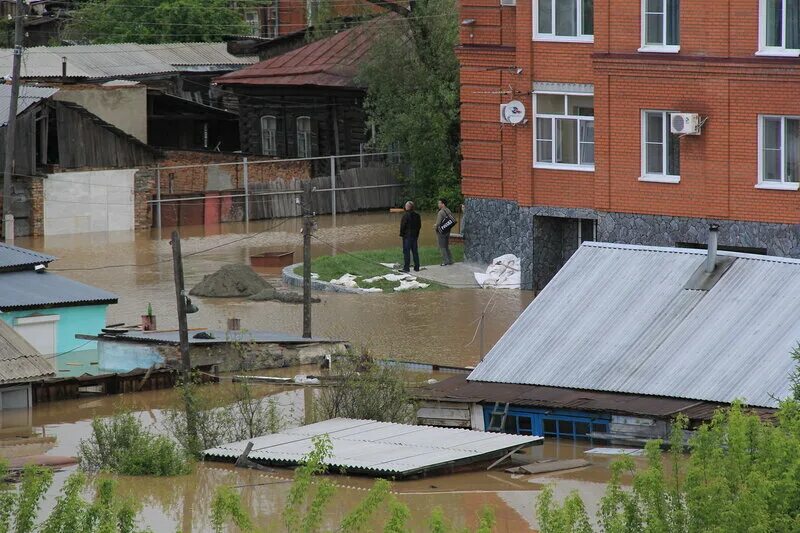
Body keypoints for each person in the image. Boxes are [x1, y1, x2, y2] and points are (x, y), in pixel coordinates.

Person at [399, 201, 421, 272]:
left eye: (406, 205)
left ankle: (406, 268)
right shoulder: (417, 215)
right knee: (415, 252)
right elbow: (419, 226)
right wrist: (417, 234)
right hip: (414, 236)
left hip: (407, 237)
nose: (405, 207)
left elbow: (403, 226)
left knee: (406, 252)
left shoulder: (405, 215)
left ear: (408, 207)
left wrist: (402, 234)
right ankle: (417, 267)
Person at [434, 198, 454, 266]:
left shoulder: (440, 212)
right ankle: (450, 260)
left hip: (441, 232)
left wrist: (435, 226)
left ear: (443, 204)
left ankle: (445, 261)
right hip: (447, 230)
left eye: (439, 203)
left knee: (442, 247)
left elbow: (438, 223)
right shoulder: (448, 210)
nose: (438, 204)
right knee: (446, 246)